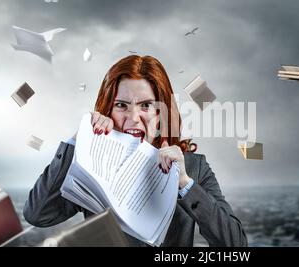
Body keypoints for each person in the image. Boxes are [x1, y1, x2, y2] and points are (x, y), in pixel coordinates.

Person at [23, 55, 248, 247]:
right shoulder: (91, 163)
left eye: (146, 105)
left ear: (161, 113)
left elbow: (235, 244)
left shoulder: (193, 168)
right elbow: (38, 214)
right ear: (107, 109)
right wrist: (78, 141)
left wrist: (185, 185)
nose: (133, 118)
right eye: (121, 105)